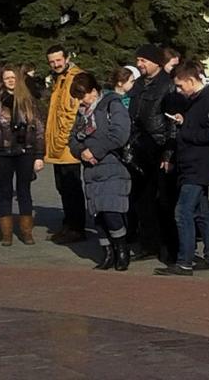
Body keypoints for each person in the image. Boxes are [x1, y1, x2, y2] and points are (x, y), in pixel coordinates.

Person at [155, 62, 209, 276]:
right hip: (191, 164)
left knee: (182, 211)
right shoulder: (195, 101)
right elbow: (199, 125)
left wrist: (186, 131)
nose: (178, 90)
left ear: (191, 81)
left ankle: (184, 261)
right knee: (201, 212)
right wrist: (184, 122)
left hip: (199, 165)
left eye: (180, 85)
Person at [67, 72, 133, 271]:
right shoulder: (82, 113)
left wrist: (94, 150)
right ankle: (107, 253)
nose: (81, 101)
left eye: (83, 96)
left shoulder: (112, 104)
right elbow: (72, 139)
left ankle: (122, 250)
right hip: (91, 169)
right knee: (98, 214)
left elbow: (120, 134)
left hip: (112, 164)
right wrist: (81, 152)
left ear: (94, 92)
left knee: (112, 210)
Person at [0, 65, 46, 246]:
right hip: (2, 152)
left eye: (13, 78)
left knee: (24, 191)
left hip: (26, 151)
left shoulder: (29, 100)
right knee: (5, 191)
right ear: (2, 80)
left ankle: (26, 231)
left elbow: (39, 128)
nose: (10, 81)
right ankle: (6, 233)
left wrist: (40, 155)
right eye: (7, 78)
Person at [126, 44, 177, 262]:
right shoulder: (138, 85)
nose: (140, 65)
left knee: (164, 201)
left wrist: (168, 153)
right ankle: (148, 244)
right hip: (140, 147)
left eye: (143, 61)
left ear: (156, 62)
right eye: (138, 60)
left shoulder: (167, 85)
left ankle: (168, 246)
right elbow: (133, 115)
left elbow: (173, 121)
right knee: (142, 199)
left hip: (160, 146)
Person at [44, 45, 86, 244]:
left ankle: (77, 228)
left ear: (67, 58)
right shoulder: (58, 79)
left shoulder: (75, 78)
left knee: (72, 187)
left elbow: (71, 114)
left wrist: (62, 140)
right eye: (51, 62)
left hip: (68, 144)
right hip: (57, 144)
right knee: (62, 186)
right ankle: (68, 224)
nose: (55, 64)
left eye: (58, 60)